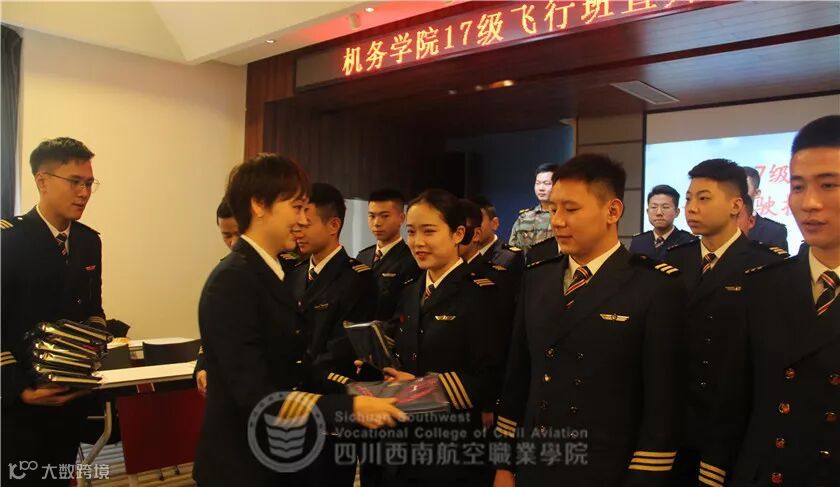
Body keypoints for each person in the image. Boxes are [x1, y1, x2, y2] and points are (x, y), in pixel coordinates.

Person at [193, 154, 406, 487]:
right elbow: (256, 395)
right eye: (296, 207)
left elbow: (296, 368)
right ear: (259, 205)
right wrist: (349, 408)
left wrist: (357, 392)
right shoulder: (234, 280)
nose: (302, 219)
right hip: (243, 464)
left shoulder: (268, 272)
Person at [493, 154, 686, 487]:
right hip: (535, 464)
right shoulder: (538, 277)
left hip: (606, 470)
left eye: (571, 209)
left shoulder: (654, 286)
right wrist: (503, 464)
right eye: (554, 209)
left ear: (612, 211)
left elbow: (663, 404)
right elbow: (518, 378)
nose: (557, 221)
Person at [701, 115, 840, 486]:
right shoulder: (763, 285)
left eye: (828, 185)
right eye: (798, 186)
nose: (809, 203)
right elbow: (732, 403)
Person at [663, 159, 787, 485]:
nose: (691, 208)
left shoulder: (766, 266)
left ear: (736, 205)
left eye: (703, 198)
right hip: (676, 422)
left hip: (733, 428)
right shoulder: (674, 260)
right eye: (689, 198)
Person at [373, 189, 506, 487]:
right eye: (411, 232)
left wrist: (418, 389)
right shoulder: (411, 290)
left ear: (458, 234)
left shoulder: (482, 294)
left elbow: (489, 378)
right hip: (402, 444)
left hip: (452, 447)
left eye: (429, 231)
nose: (418, 242)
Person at [2, 137, 106, 486]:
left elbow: (93, 308)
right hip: (20, 401)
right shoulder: (9, 241)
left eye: (89, 183)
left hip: (70, 396)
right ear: (42, 181)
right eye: (75, 182)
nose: (84, 193)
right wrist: (19, 389)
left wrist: (93, 348)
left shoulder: (88, 241)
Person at [356, 189, 420, 320]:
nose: (377, 223)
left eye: (385, 216)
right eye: (372, 216)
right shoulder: (362, 256)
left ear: (401, 218)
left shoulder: (411, 259)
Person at [629, 184, 695, 260]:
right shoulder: (638, 241)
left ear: (677, 212)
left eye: (665, 207)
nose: (659, 213)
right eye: (654, 207)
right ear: (647, 211)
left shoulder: (689, 242)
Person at [508, 163, 558, 251]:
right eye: (538, 183)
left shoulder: (565, 216)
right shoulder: (524, 217)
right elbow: (513, 251)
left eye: (547, 183)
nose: (541, 188)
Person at [469, 195, 525, 272]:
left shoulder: (510, 256)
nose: (472, 225)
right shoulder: (461, 253)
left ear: (494, 223)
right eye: (469, 221)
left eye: (478, 220)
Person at [743, 165, 788, 250]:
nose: (738, 193)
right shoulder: (719, 225)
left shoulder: (774, 231)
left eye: (744, 188)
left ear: (757, 193)